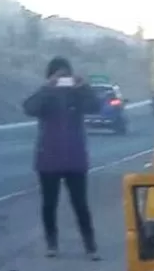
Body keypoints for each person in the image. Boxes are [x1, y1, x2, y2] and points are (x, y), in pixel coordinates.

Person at [23, 57, 101, 260]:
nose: (62, 80)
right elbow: (29, 108)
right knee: (49, 204)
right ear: (50, 77)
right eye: (58, 76)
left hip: (75, 159)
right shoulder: (45, 96)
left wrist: (83, 87)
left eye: (66, 75)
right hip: (48, 158)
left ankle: (90, 245)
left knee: (81, 204)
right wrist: (47, 88)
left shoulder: (77, 95)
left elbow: (95, 106)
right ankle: (52, 244)